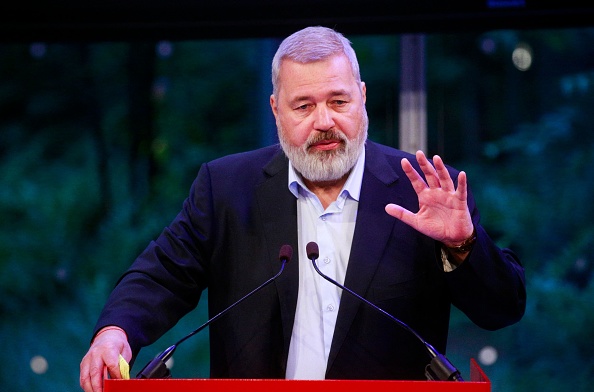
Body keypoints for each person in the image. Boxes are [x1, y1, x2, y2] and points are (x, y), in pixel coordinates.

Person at [79, 25, 526, 391]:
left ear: (363, 98)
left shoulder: (421, 189)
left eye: (338, 101)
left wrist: (463, 244)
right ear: (276, 110)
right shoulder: (226, 189)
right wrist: (114, 332)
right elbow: (162, 275)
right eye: (304, 106)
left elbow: (501, 308)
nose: (324, 121)